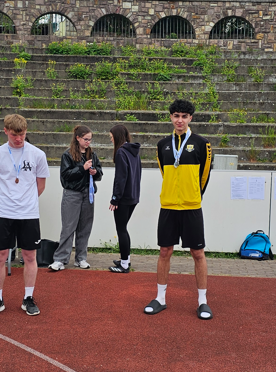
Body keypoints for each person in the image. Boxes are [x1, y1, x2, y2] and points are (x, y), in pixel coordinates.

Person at [144, 98, 213, 319]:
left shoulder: (202, 144)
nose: (180, 120)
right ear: (171, 117)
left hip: (192, 206)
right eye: (176, 116)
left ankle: (202, 301)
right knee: (164, 251)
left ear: (190, 118)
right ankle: (160, 298)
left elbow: (204, 176)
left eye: (184, 116)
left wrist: (193, 196)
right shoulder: (162, 144)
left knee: (198, 253)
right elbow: (165, 174)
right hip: (169, 206)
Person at [0, 113, 49, 317]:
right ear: (6, 131)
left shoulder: (38, 154)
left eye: (22, 134)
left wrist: (24, 201)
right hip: (4, 212)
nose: (18, 139)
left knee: (30, 256)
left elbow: (40, 186)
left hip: (29, 213)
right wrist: (9, 200)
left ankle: (28, 297)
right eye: (14, 135)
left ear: (26, 131)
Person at [50, 124, 103, 271]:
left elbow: (99, 173)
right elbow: (65, 176)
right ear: (78, 138)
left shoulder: (92, 154)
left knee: (85, 227)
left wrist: (95, 172)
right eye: (86, 139)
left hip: (88, 193)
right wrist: (82, 168)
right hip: (72, 194)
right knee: (68, 227)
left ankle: (81, 258)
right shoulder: (67, 155)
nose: (88, 142)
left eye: (90, 139)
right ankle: (60, 259)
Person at [108, 124, 141, 273]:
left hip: (124, 198)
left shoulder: (121, 152)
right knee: (123, 229)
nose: (111, 140)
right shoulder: (133, 151)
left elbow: (120, 178)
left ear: (117, 136)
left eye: (111, 137)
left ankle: (124, 264)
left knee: (121, 229)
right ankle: (125, 259)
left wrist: (115, 198)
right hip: (133, 196)